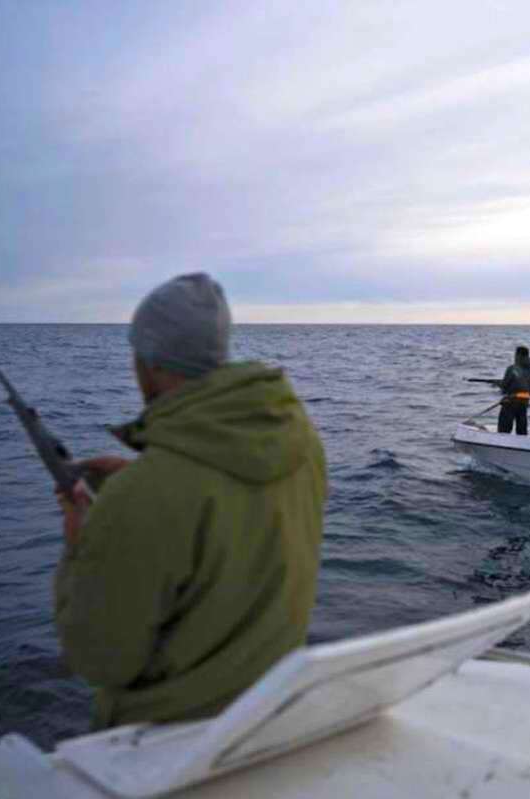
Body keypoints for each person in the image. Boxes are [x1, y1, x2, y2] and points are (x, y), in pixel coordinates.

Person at [54, 273, 327, 729]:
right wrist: (138, 482)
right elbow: (237, 513)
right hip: (268, 714)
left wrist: (82, 544)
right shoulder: (302, 445)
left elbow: (98, 661)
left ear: (149, 361)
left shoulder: (144, 495)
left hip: (170, 738)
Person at [497, 345, 530, 435]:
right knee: (522, 429)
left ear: (519, 355)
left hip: (510, 402)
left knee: (504, 430)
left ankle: (502, 445)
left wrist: (499, 384)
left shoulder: (512, 369)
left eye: (516, 355)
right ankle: (521, 446)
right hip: (524, 402)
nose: (515, 358)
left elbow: (504, 387)